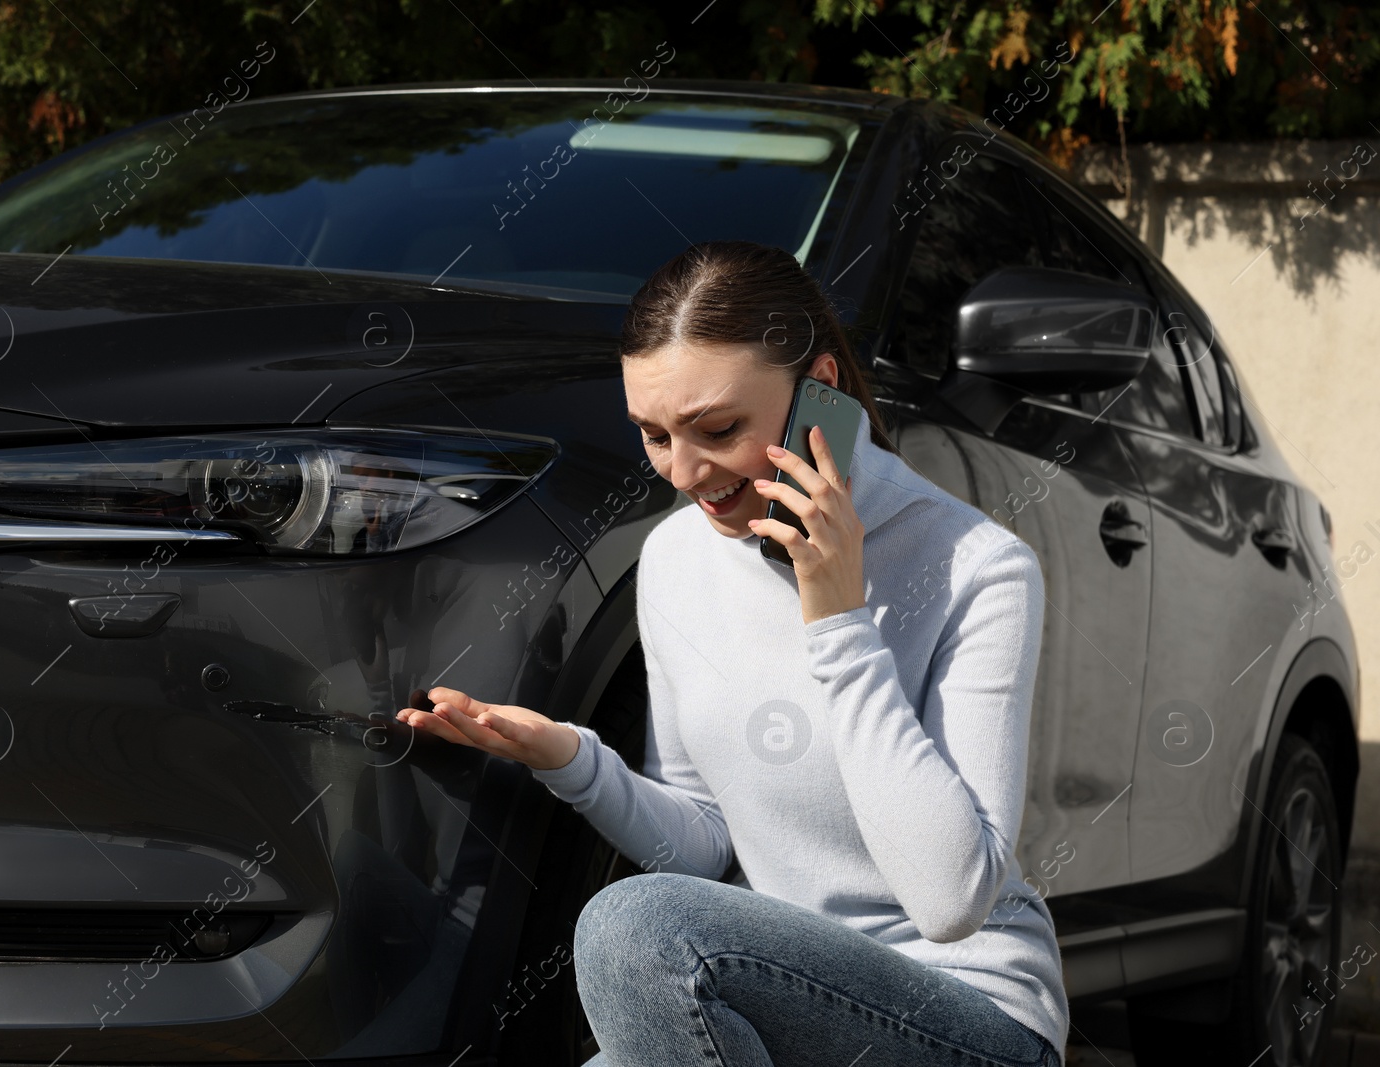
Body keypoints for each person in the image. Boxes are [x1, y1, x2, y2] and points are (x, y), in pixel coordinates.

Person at [395, 239, 1068, 1067]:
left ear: (819, 389)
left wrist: (840, 621)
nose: (683, 471)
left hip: (962, 1017)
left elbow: (950, 898)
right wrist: (568, 757)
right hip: (774, 1008)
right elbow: (708, 844)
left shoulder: (979, 567)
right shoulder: (676, 560)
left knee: (632, 924)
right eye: (652, 434)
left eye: (717, 428)